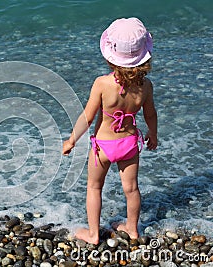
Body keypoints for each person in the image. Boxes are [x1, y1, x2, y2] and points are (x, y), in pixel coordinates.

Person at [62, 17, 158, 244]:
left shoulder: (102, 84)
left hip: (102, 148)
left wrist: (71, 140)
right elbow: (150, 114)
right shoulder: (146, 86)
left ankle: (94, 234)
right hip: (129, 145)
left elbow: (88, 117)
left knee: (94, 187)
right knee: (132, 189)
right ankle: (132, 229)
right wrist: (153, 134)